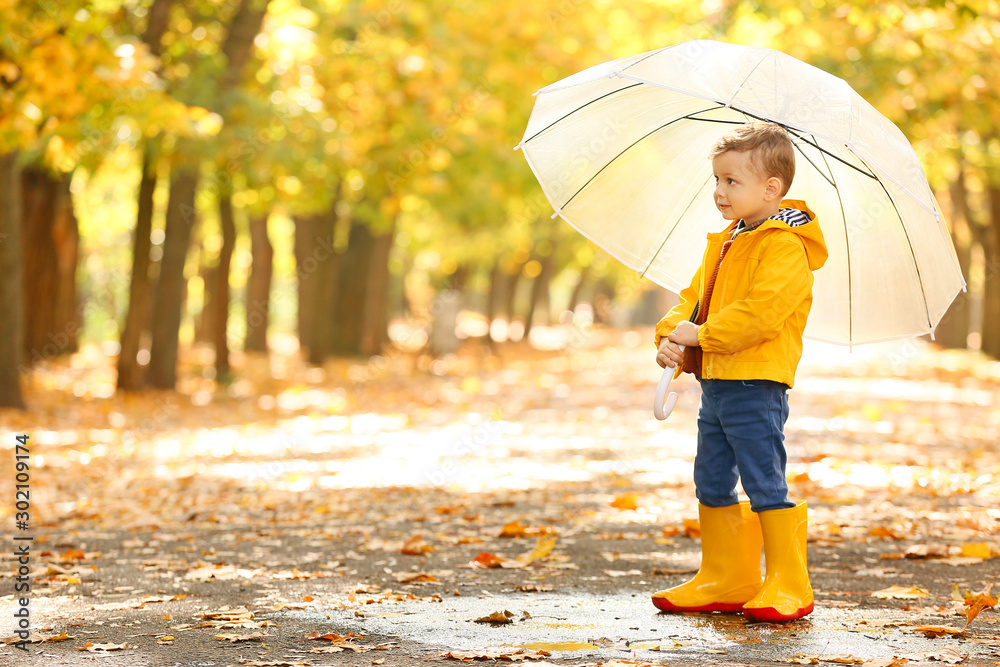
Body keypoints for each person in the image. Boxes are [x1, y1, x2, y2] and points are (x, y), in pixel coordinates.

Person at [650, 122, 828, 623]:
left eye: (732, 181)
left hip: (757, 381)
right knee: (710, 476)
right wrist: (671, 335)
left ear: (772, 189)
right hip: (719, 382)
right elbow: (695, 301)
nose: (719, 191)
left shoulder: (784, 246)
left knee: (763, 479)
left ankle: (789, 583)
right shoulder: (727, 240)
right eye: (717, 180)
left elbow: (762, 313)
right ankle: (727, 576)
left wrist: (700, 337)